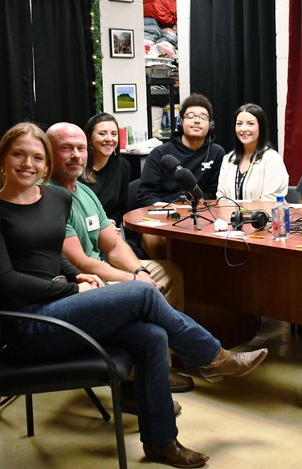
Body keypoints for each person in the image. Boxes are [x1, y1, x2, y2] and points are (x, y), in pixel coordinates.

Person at [0, 122, 269, 468]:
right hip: (29, 325)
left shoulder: (57, 198)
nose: (27, 164)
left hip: (63, 309)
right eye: (18, 154)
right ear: (1, 158)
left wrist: (73, 273)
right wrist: (72, 286)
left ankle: (161, 443)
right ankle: (213, 356)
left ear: (45, 164)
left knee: (152, 335)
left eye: (36, 157)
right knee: (141, 294)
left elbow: (53, 255)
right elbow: (6, 281)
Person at [47, 121, 194, 395]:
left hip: (105, 265)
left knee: (169, 272)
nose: (75, 155)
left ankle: (164, 363)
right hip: (84, 281)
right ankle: (137, 376)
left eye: (79, 149)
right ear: (49, 153)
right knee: (142, 293)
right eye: (65, 149)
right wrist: (133, 281)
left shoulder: (85, 190)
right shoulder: (51, 198)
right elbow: (81, 263)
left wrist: (139, 271)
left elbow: (114, 245)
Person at [137, 93, 225, 257]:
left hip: (199, 215)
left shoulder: (216, 153)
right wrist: (172, 208)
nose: (197, 120)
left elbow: (212, 193)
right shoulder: (160, 153)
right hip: (163, 217)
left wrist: (192, 208)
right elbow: (145, 195)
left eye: (203, 117)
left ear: (210, 124)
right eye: (190, 116)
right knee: (157, 242)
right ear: (180, 122)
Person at [216, 103, 289, 201]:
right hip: (229, 215)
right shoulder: (228, 159)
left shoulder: (272, 159)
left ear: (261, 127)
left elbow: (270, 201)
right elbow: (221, 197)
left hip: (264, 216)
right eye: (239, 124)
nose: (243, 129)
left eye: (250, 124)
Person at [79, 112, 131, 228]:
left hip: (112, 227)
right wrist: (101, 226)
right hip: (84, 229)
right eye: (102, 134)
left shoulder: (122, 166)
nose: (109, 139)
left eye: (114, 134)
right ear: (89, 138)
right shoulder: (78, 167)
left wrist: (112, 221)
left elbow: (120, 208)